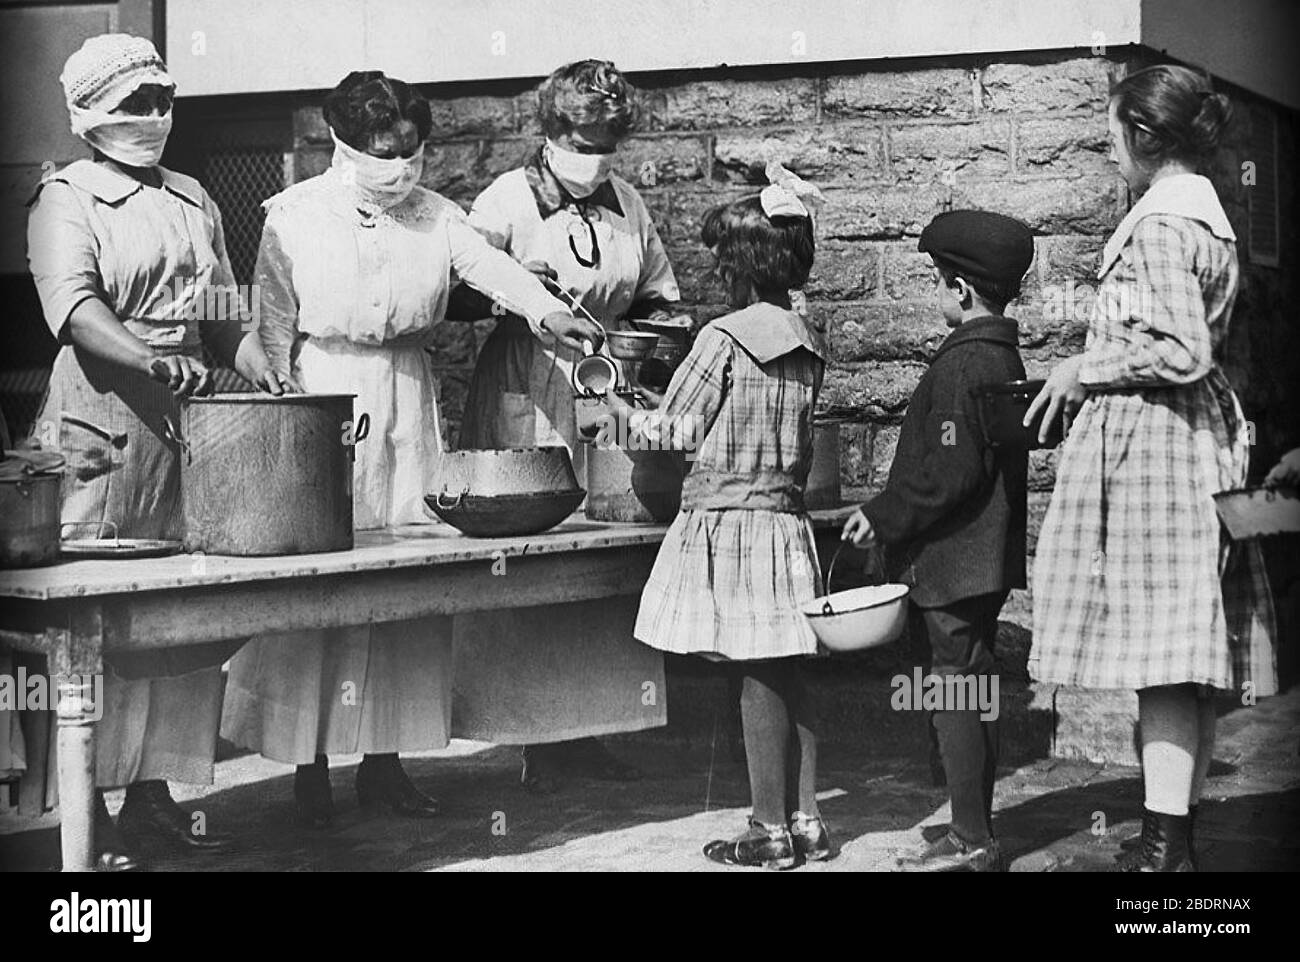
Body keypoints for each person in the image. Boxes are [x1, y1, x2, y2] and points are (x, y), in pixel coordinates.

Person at [219, 71, 589, 828]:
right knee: (328, 576)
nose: (400, 165)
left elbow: (494, 270)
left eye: (411, 151)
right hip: (327, 391)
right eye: (383, 152)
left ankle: (385, 762)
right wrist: (288, 397)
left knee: (408, 582)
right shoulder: (294, 216)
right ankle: (308, 765)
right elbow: (272, 321)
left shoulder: (436, 215)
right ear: (343, 144)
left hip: (409, 399)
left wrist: (553, 313)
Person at [24, 34, 288, 870]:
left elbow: (220, 314)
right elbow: (74, 309)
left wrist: (264, 369)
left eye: (162, 100)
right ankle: (83, 804)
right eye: (135, 103)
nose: (154, 118)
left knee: (176, 624)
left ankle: (153, 791)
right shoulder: (64, 198)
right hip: (102, 423)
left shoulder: (192, 196)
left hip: (187, 429)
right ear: (93, 113)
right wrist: (148, 357)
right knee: (94, 621)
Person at [1025, 64, 1277, 872]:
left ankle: (1166, 850)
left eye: (1111, 137)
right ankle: (1174, 832)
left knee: (1164, 660)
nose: (1108, 155)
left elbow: (1178, 346)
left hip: (1157, 453)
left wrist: (1082, 370)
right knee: (1183, 655)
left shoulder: (1164, 222)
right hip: (1187, 443)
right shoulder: (1206, 213)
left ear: (1142, 136)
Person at [448, 60, 680, 792]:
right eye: (586, 136)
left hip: (605, 384)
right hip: (528, 378)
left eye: (612, 138)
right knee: (535, 548)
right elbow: (456, 290)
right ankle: (533, 736)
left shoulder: (626, 204)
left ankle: (592, 725)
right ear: (551, 129)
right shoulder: (507, 199)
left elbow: (655, 293)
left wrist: (652, 338)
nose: (599, 151)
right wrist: (522, 298)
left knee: (605, 547)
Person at [608, 164, 829, 869]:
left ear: (740, 265)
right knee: (793, 667)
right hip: (786, 524)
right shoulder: (807, 338)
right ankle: (809, 819)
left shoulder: (724, 338)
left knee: (755, 671)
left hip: (732, 524)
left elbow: (670, 433)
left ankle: (768, 832)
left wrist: (619, 406)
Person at [842, 209, 1035, 872]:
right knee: (976, 687)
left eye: (937, 282)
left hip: (954, 561)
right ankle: (975, 827)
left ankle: (970, 839)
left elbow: (952, 472)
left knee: (953, 689)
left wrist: (885, 514)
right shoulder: (1001, 353)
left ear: (958, 290)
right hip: (986, 559)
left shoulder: (962, 365)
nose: (937, 294)